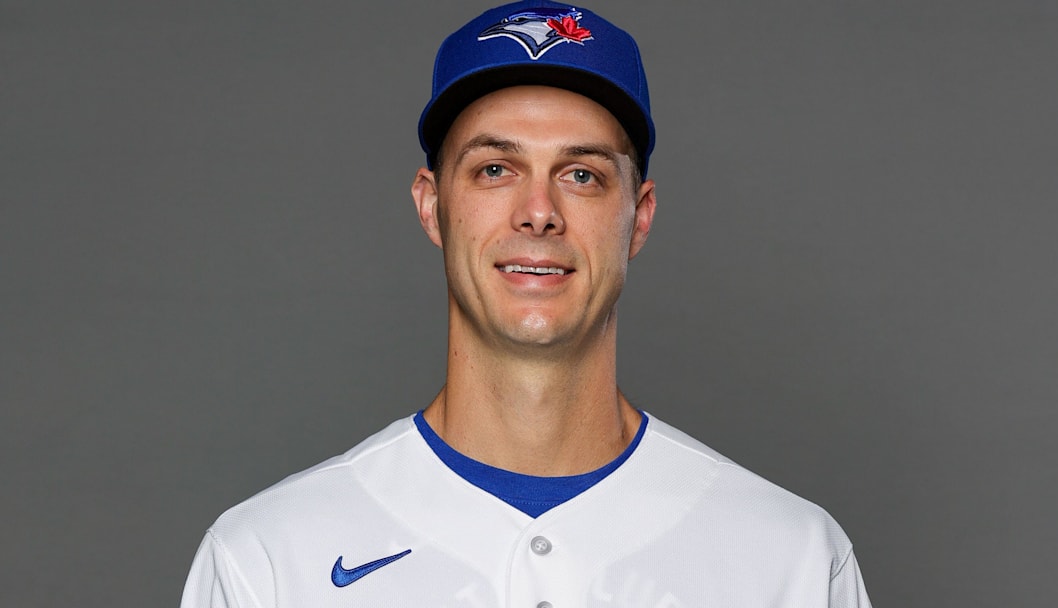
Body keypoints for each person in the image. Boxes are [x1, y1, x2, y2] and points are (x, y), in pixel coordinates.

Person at [180, 2, 872, 606]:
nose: (539, 211)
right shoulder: (269, 558)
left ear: (639, 217)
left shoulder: (792, 558)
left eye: (582, 175)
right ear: (431, 205)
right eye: (494, 169)